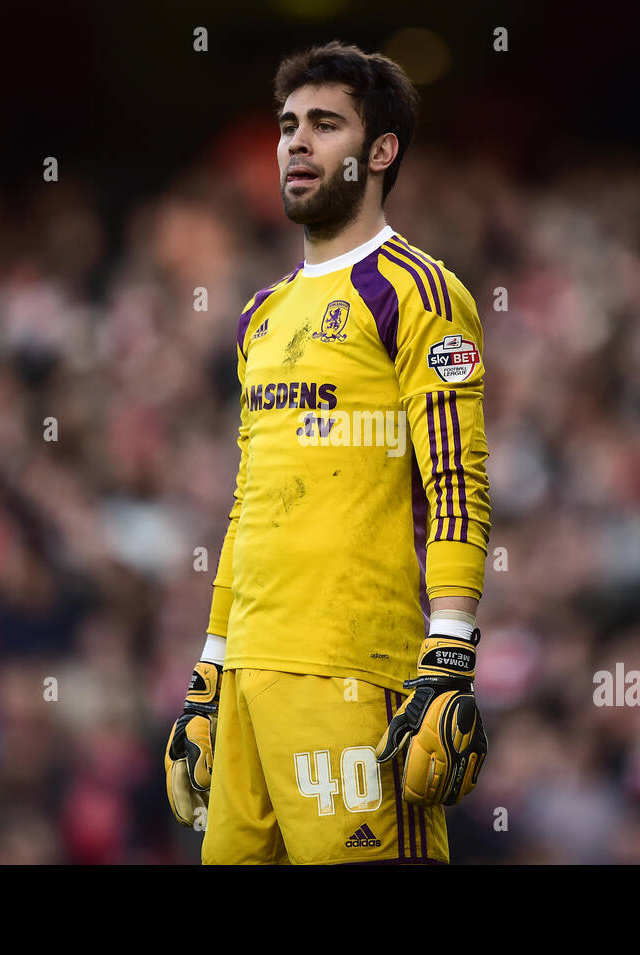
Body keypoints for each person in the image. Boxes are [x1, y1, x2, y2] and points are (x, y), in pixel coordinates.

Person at [165, 40, 492, 865]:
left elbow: (456, 480)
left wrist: (448, 655)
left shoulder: (420, 289)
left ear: (380, 151)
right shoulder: (260, 315)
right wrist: (210, 669)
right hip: (248, 681)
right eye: (286, 126)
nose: (296, 144)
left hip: (357, 673)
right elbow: (250, 503)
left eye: (324, 124)